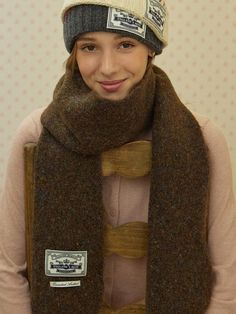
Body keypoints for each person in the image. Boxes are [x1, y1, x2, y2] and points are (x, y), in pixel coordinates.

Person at [0, 0, 236, 313]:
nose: (108, 66)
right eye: (89, 47)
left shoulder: (202, 138)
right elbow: (8, 268)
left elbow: (227, 275)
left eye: (125, 44)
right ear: (74, 52)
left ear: (150, 49)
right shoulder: (37, 133)